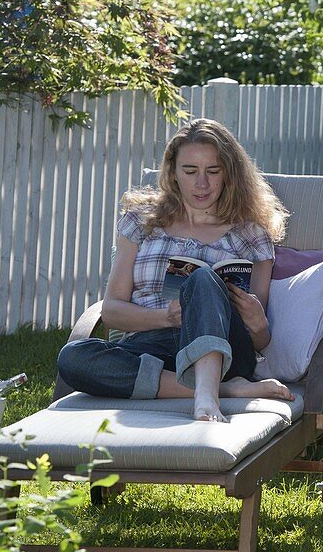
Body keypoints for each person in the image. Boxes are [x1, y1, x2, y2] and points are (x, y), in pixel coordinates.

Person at [57, 119, 292, 422]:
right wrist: (164, 317)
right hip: (151, 348)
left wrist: (259, 324)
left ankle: (207, 397)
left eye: (213, 171)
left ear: (229, 174)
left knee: (203, 278)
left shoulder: (250, 234)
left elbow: (258, 340)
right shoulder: (141, 222)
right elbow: (112, 310)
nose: (201, 184)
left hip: (225, 352)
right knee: (74, 357)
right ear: (173, 172)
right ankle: (224, 391)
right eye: (190, 171)